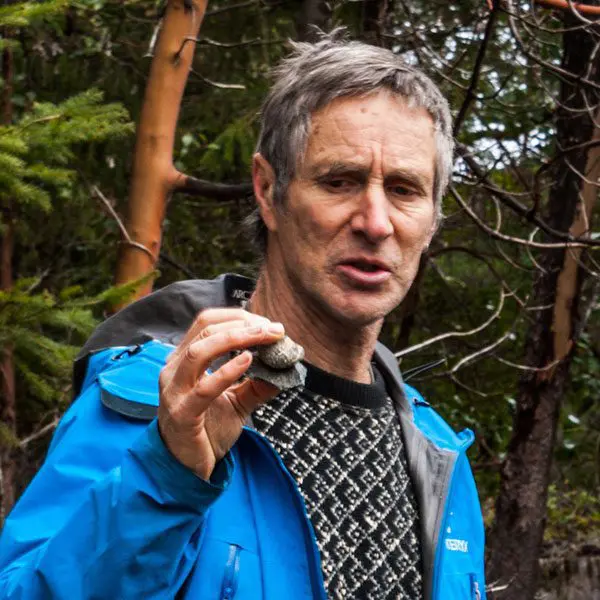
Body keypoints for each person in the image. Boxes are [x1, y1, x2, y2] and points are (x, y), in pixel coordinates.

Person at [0, 33, 486, 600]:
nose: (375, 222)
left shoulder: (438, 455)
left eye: (404, 189)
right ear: (267, 188)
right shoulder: (162, 399)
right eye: (340, 181)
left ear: (430, 221)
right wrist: (164, 475)